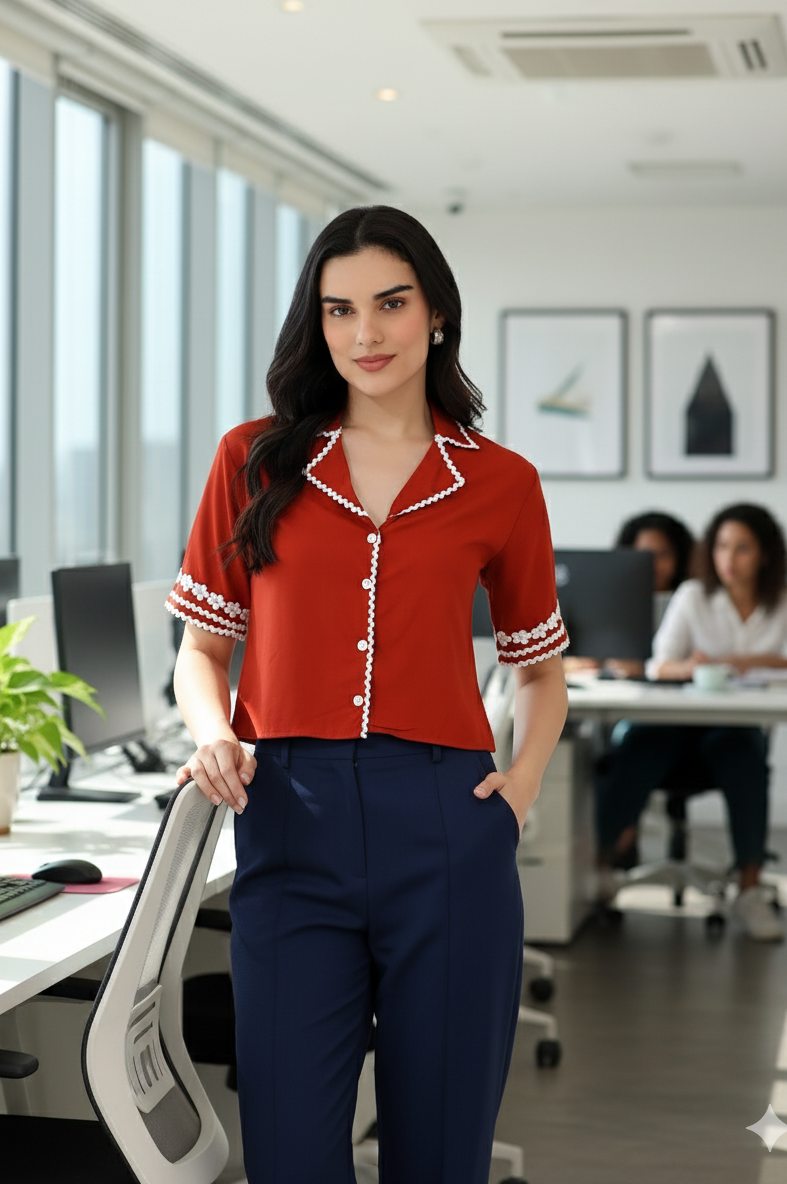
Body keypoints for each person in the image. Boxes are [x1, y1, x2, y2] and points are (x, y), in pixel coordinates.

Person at [167, 205, 569, 1183]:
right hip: (288, 822)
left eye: (389, 304)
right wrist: (213, 730)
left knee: (438, 1152)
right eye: (339, 310)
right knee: (292, 1150)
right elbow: (200, 651)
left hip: (446, 823)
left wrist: (520, 785)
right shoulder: (253, 459)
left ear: (434, 312)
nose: (365, 333)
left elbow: (540, 669)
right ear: (318, 323)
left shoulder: (499, 481)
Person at [596, 502, 787, 941]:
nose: (729, 559)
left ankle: (750, 888)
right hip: (675, 724)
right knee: (638, 746)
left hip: (732, 729)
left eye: (742, 548)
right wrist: (689, 667)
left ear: (764, 554)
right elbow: (659, 665)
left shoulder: (782, 603)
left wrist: (735, 661)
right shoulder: (693, 597)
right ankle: (599, 869)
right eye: (721, 546)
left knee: (745, 756)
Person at [564, 509, 694, 677]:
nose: (654, 564)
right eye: (645, 554)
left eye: (664, 554)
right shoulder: (607, 600)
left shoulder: (692, 599)